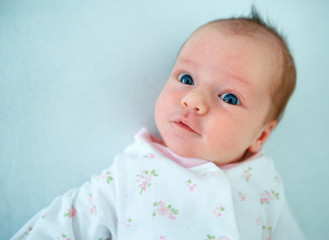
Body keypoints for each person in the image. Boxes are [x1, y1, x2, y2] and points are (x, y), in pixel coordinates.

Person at [12, 8, 305, 240]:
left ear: (261, 134)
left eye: (229, 97)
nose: (193, 99)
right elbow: (64, 226)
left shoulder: (264, 184)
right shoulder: (133, 172)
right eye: (187, 79)